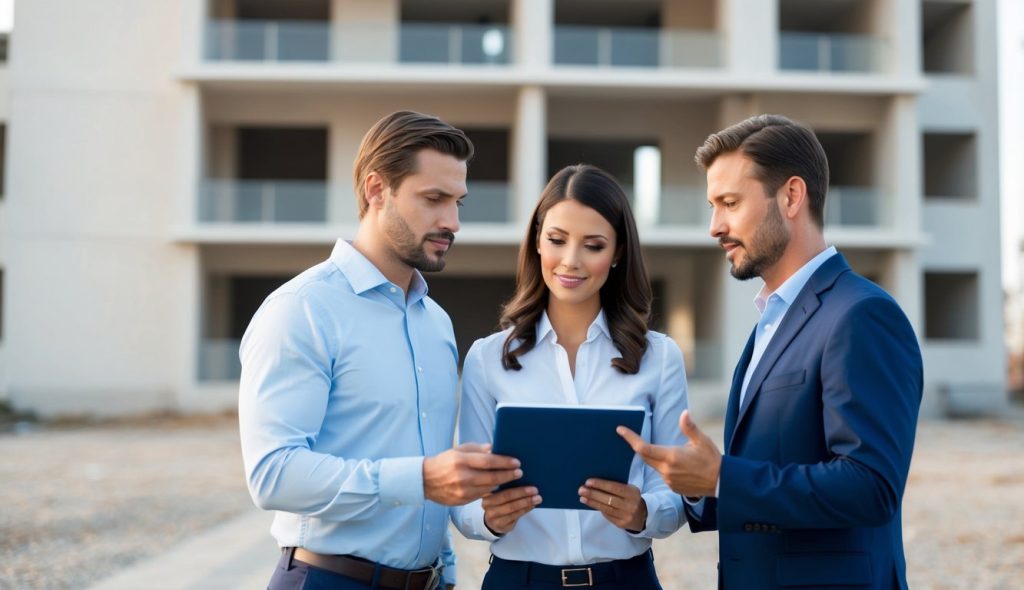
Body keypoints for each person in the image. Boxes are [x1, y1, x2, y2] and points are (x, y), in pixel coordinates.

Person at [619, 114, 923, 589]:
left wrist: (723, 477)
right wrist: (697, 489)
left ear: (791, 196)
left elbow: (871, 486)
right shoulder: (770, 318)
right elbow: (776, 467)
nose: (715, 226)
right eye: (712, 205)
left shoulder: (861, 315)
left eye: (730, 203)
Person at [238, 110, 523, 590]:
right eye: (433, 199)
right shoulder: (301, 309)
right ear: (376, 190)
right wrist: (420, 479)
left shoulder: (436, 323)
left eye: (457, 202)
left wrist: (446, 570)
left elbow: (429, 462)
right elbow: (273, 474)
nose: (451, 221)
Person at [452, 164, 689, 590]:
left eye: (593, 245)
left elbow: (676, 492)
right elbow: (464, 498)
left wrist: (642, 514)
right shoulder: (487, 359)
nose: (571, 261)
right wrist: (487, 517)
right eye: (557, 240)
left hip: (626, 579)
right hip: (517, 580)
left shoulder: (659, 357)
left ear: (617, 252)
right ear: (537, 241)